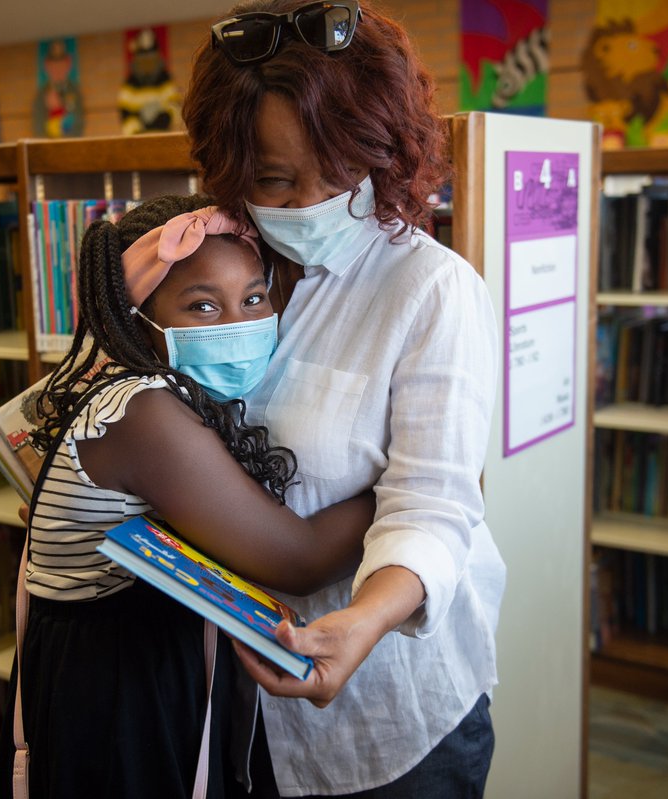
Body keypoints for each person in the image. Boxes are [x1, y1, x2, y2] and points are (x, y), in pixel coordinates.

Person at [183, 1, 506, 796]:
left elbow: (433, 503)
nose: (314, 203)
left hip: (390, 711)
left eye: (339, 170)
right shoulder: (206, 267)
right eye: (276, 181)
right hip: (232, 703)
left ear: (382, 150)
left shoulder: (430, 290)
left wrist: (363, 620)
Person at [0, 193, 375, 798]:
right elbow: (298, 559)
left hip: (145, 665)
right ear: (139, 318)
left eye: (253, 298)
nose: (238, 325)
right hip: (116, 689)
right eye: (202, 306)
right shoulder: (144, 412)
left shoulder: (168, 394)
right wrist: (405, 483)